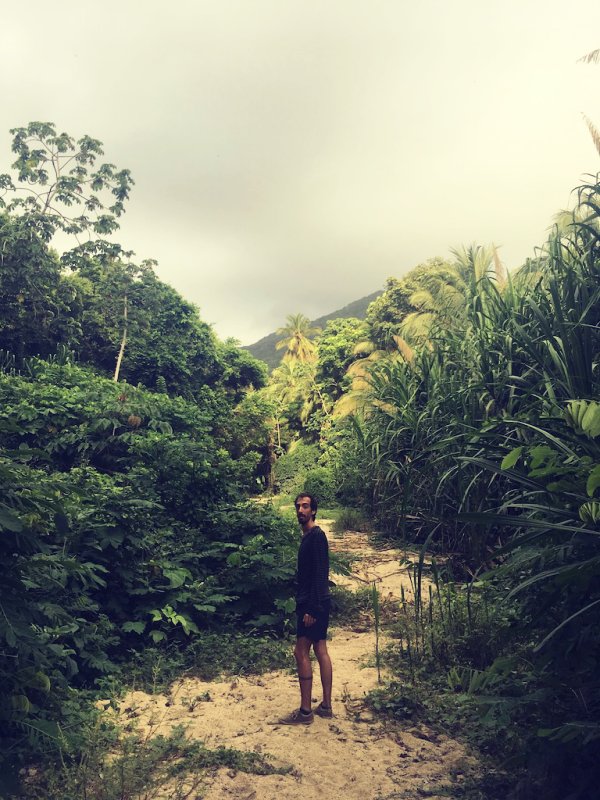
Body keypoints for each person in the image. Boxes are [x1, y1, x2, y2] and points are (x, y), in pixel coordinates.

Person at [278, 492, 333, 725]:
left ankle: (305, 712)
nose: (301, 510)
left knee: (300, 652)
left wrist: (311, 608)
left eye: (305, 506)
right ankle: (326, 707)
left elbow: (320, 574)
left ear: (314, 511)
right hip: (318, 602)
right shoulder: (309, 536)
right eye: (298, 506)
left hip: (313, 604)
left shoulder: (317, 537)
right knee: (320, 650)